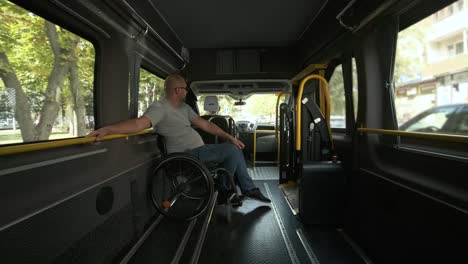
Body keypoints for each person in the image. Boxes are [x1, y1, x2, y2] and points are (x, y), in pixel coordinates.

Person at [87, 73, 271, 203]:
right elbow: (138, 124)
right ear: (177, 90)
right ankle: (240, 189)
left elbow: (206, 124)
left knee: (232, 150)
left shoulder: (184, 108)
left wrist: (228, 136)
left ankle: (226, 189)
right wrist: (109, 129)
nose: (187, 92)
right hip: (186, 156)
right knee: (232, 151)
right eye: (185, 89)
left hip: (199, 152)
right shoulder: (160, 107)